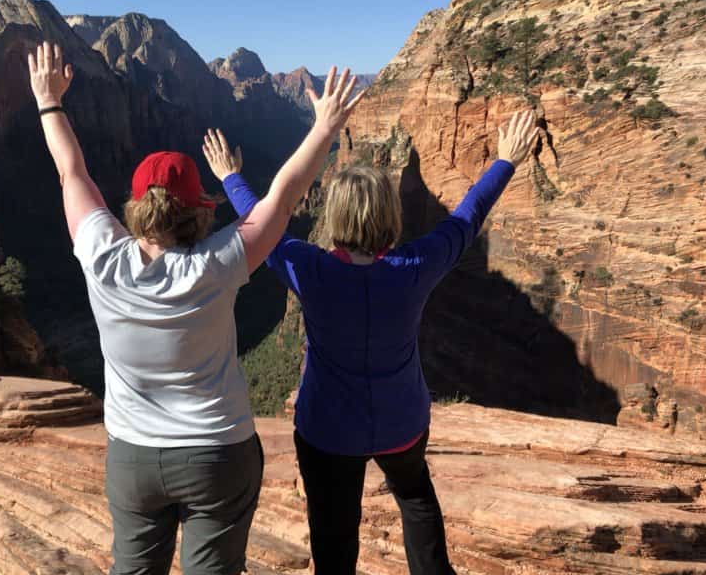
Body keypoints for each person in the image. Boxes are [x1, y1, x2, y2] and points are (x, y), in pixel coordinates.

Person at [27, 40, 364, 575]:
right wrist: (324, 127)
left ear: (136, 210)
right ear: (198, 213)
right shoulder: (220, 262)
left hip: (133, 455)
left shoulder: (101, 255)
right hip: (218, 453)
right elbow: (284, 192)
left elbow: (72, 172)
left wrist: (49, 102)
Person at [204, 110, 539, 575]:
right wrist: (505, 161)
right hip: (402, 421)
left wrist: (229, 177)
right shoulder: (416, 266)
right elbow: (466, 219)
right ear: (390, 215)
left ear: (333, 214)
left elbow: (264, 221)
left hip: (327, 430)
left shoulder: (309, 268)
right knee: (416, 498)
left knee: (333, 533)